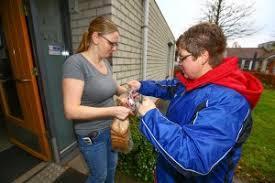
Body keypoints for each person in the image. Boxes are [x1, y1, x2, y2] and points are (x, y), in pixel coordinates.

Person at [128, 22, 263, 182]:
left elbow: (194, 157)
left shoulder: (229, 103)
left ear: (203, 57)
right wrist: (142, 86)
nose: (179, 62)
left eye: (182, 57)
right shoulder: (195, 80)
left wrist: (151, 116)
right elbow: (171, 87)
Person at [62, 16, 131, 183]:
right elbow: (71, 110)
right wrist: (113, 110)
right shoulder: (75, 64)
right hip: (93, 136)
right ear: (95, 38)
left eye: (117, 44)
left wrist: (130, 92)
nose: (115, 48)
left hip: (112, 130)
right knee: (99, 176)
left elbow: (115, 88)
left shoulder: (105, 63)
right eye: (111, 43)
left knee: (112, 168)